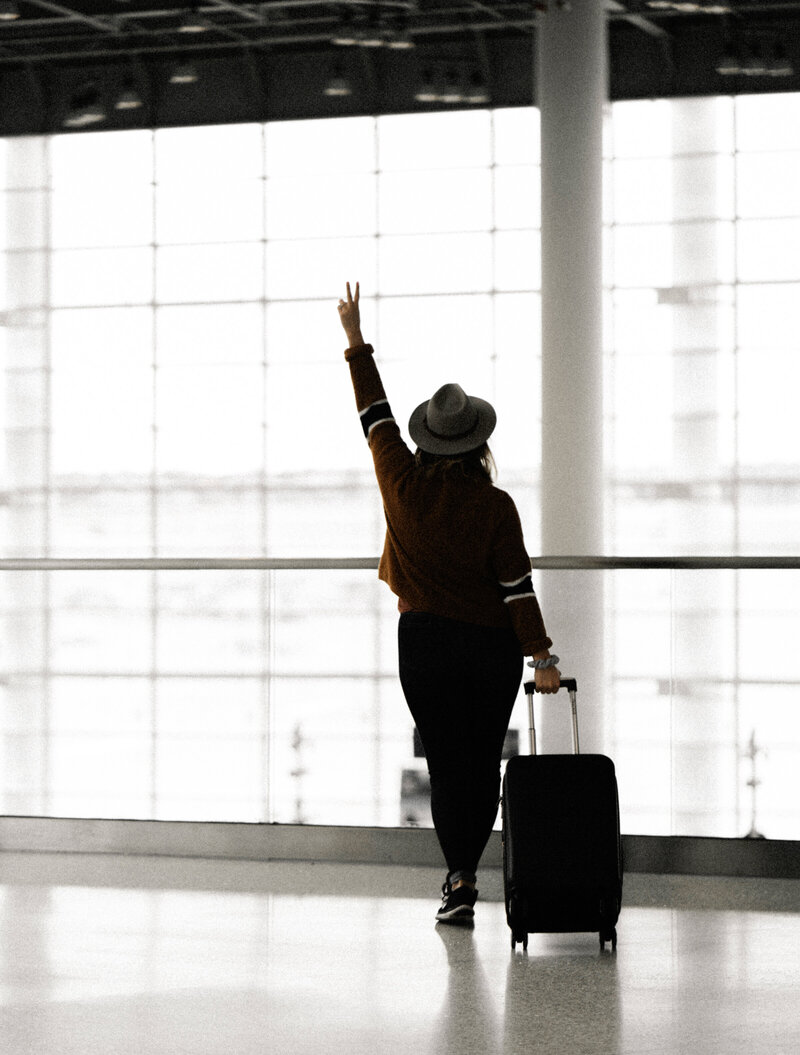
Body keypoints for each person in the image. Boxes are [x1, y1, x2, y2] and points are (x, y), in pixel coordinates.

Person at [337, 281, 560, 925]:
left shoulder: (401, 482)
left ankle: (457, 877)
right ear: (477, 444)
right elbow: (517, 588)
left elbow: (375, 415)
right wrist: (540, 656)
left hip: (426, 645)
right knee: (482, 761)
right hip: (490, 650)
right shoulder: (496, 506)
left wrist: (356, 341)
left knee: (443, 761)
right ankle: (468, 864)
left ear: (430, 441)